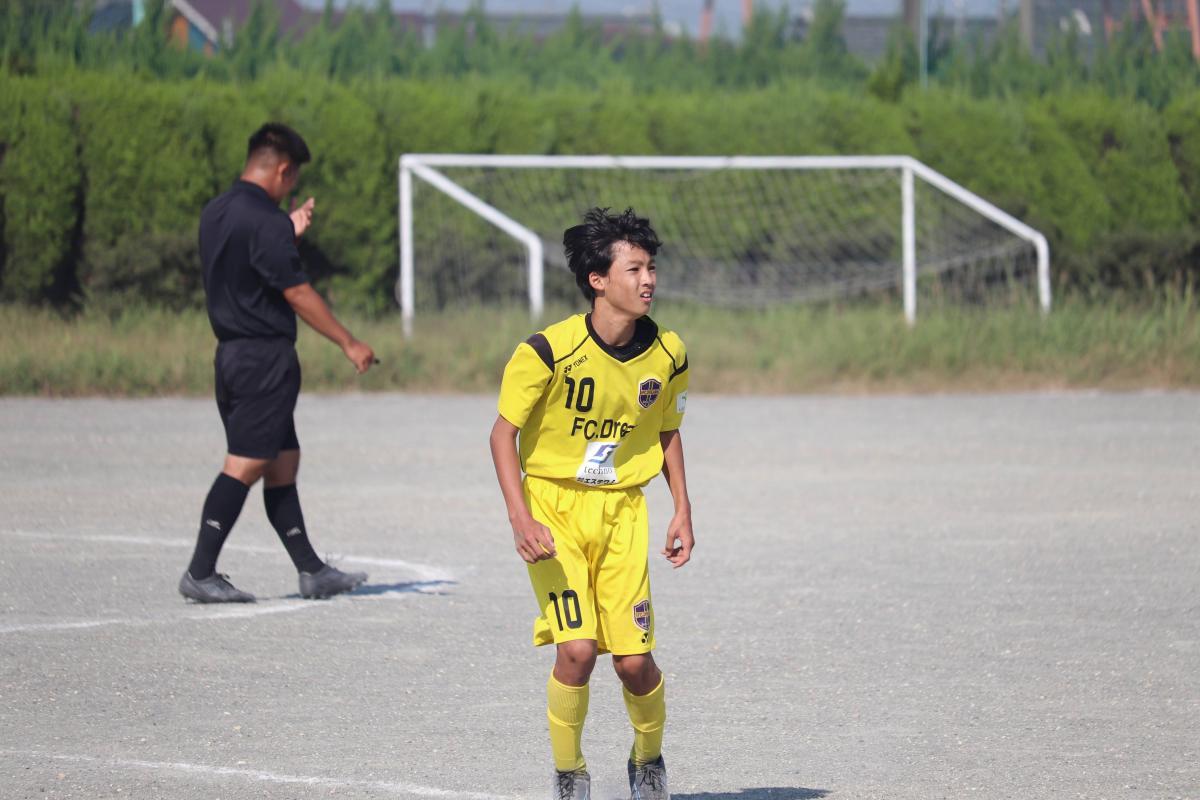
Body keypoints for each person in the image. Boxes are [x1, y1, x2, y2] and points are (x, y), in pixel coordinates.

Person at [489, 207, 695, 800]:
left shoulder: (669, 353)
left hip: (623, 512)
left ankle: (647, 761)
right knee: (577, 652)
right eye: (634, 269)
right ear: (598, 280)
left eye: (651, 267)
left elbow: (666, 432)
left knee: (633, 663)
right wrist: (520, 516)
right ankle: (570, 773)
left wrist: (682, 508)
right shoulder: (546, 351)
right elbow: (502, 434)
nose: (648, 279)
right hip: (554, 510)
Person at [179, 122, 375, 604]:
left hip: (232, 355)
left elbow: (250, 267)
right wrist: (349, 342)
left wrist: (286, 231)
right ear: (284, 170)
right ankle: (200, 572)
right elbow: (297, 292)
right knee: (245, 463)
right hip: (263, 360)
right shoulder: (266, 222)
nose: (290, 189)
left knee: (283, 461)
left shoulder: (217, 211)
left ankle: (312, 570)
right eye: (293, 180)